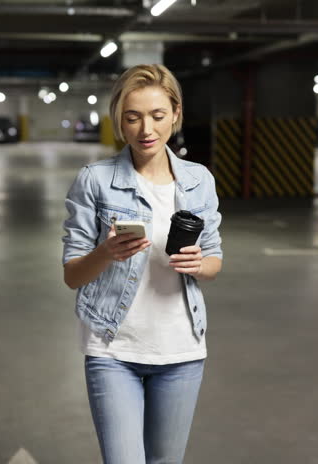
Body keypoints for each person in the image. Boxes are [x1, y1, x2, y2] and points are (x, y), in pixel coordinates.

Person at [61, 64, 224, 464]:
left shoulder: (198, 179)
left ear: (176, 114)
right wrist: (106, 252)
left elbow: (215, 258)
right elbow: (71, 274)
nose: (145, 129)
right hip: (112, 348)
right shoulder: (95, 180)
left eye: (157, 115)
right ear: (120, 120)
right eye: (132, 117)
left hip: (181, 351)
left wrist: (198, 264)